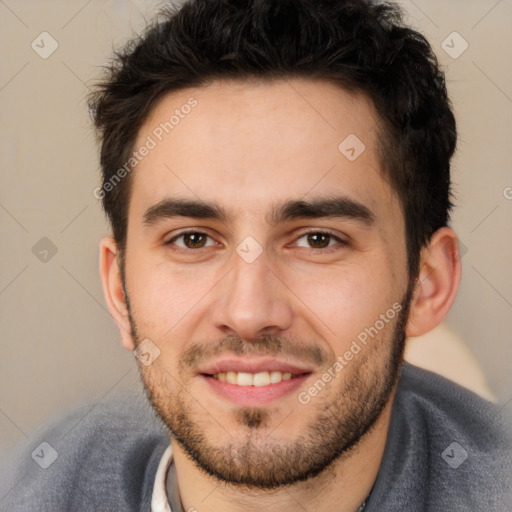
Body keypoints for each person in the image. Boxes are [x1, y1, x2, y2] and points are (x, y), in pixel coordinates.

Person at [1, 0, 511, 510]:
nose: (248, 313)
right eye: (193, 240)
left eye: (318, 240)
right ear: (119, 291)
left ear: (427, 283)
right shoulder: (35, 484)